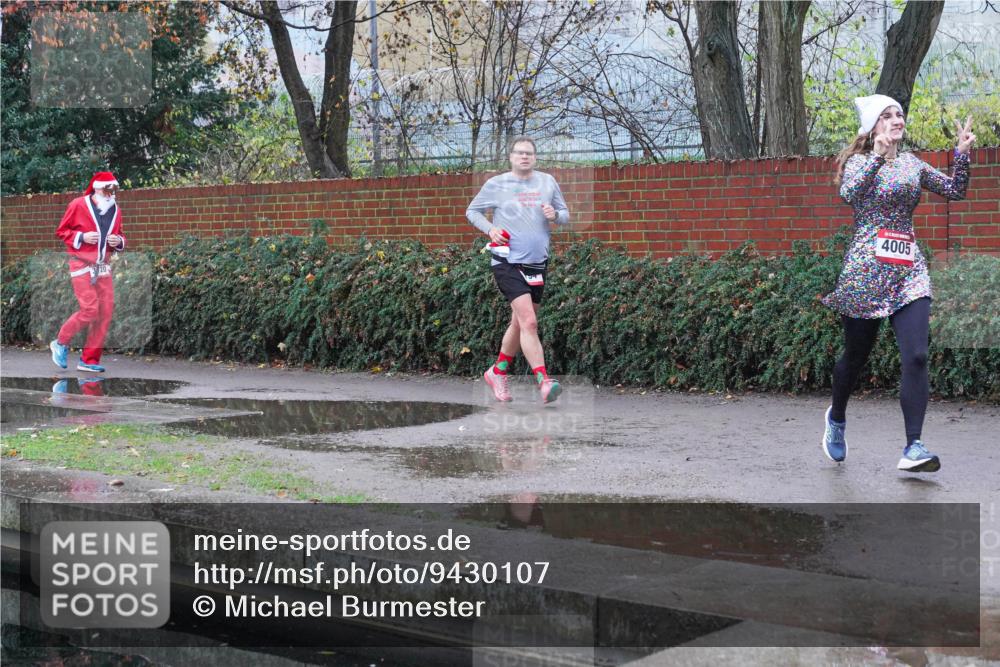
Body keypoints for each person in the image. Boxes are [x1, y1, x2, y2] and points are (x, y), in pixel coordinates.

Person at [821, 95, 975, 472]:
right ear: (873, 127)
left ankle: (913, 447)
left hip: (909, 270)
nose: (896, 120)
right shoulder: (857, 163)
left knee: (917, 355)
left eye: (899, 115)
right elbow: (851, 195)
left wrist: (962, 153)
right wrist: (876, 156)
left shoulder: (912, 165)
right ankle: (836, 418)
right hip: (865, 272)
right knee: (855, 359)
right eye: (887, 116)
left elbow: (955, 190)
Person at [467, 137, 569, 404]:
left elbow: (565, 214)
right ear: (511, 157)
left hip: (537, 264)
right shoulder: (496, 184)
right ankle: (544, 381)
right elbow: (472, 211)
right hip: (507, 262)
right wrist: (489, 229)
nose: (525, 157)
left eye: (529, 153)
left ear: (535, 158)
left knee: (519, 322)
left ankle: (497, 371)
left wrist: (555, 216)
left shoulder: (547, 182)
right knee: (530, 322)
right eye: (519, 153)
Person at [50, 171, 126, 373]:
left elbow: (120, 235)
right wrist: (82, 237)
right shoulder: (78, 204)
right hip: (81, 264)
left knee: (105, 312)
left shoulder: (116, 210)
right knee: (90, 310)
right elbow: (62, 231)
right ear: (97, 188)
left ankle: (89, 360)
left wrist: (118, 241)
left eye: (113, 191)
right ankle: (61, 342)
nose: (110, 195)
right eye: (107, 190)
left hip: (103, 267)